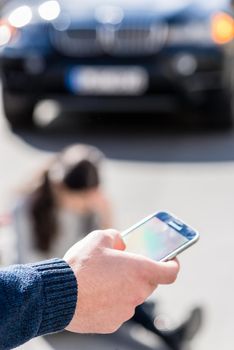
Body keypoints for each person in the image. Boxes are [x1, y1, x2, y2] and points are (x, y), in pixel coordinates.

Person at [0, 229, 180, 350]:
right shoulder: (27, 209)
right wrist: (65, 286)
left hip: (54, 299)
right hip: (56, 314)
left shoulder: (87, 209)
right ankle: (165, 331)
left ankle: (164, 330)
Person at [13, 144, 112, 263]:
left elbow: (105, 252)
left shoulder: (90, 208)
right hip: (38, 274)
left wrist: (106, 215)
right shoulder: (27, 206)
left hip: (70, 273)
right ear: (58, 187)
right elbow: (27, 262)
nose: (84, 204)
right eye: (80, 197)